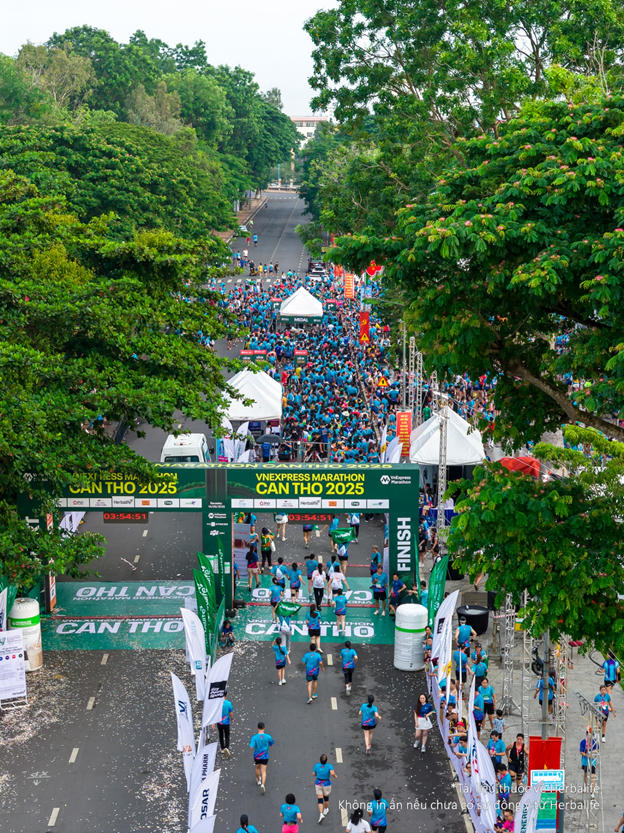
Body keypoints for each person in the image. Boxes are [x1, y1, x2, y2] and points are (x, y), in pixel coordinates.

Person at [249, 721, 274, 793]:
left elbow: (251, 747)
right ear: (264, 728)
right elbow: (271, 743)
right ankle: (263, 785)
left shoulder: (254, 737)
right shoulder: (268, 736)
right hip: (265, 756)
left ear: (257, 728)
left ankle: (259, 780)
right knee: (264, 771)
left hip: (257, 756)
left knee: (257, 768)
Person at [312, 753, 337, 822]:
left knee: (320, 799)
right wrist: (335, 776)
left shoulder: (316, 765)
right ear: (326, 760)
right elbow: (332, 773)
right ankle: (326, 809)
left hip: (318, 783)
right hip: (326, 784)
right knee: (326, 798)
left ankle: (321, 814)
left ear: (320, 760)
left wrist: (318, 773)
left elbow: (313, 774)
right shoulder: (329, 766)